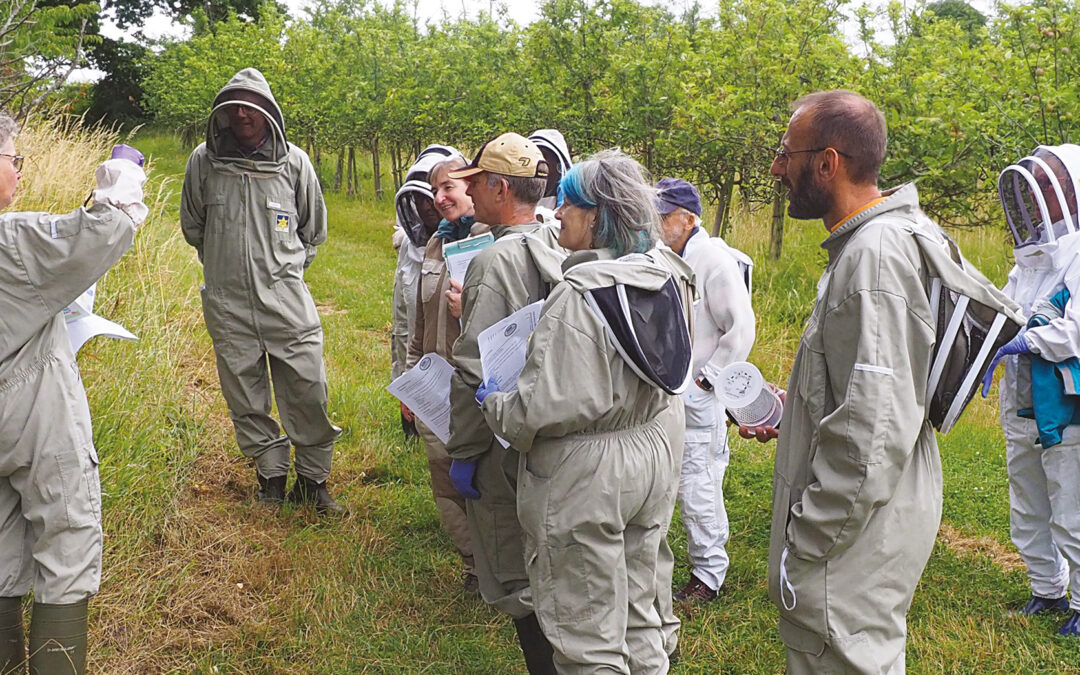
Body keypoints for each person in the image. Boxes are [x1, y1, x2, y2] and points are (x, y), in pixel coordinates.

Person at [759, 89, 1003, 673]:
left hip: (853, 532)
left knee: (843, 657)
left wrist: (809, 541)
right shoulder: (890, 236)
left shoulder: (872, 259)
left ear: (828, 162)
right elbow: (881, 384)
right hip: (880, 508)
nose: (776, 168)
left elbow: (873, 432)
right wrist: (799, 406)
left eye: (785, 153)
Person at [478, 149, 695, 674]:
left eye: (570, 205)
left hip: (586, 477)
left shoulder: (577, 297)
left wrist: (494, 403)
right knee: (642, 608)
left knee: (586, 631)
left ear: (597, 215)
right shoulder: (667, 273)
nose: (558, 215)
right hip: (652, 452)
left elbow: (535, 411)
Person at [0, 114, 146, 675]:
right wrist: (123, 171)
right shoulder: (12, 241)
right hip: (31, 417)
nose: (19, 171)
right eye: (15, 160)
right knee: (65, 543)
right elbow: (105, 231)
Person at [180, 68, 343, 514]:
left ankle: (313, 481)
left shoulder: (294, 164)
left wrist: (281, 271)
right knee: (244, 394)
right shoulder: (203, 162)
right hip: (227, 302)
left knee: (308, 387)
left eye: (250, 105)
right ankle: (270, 476)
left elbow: (313, 230)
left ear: (267, 112)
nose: (241, 113)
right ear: (223, 115)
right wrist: (227, 264)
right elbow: (194, 227)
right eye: (233, 106)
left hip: (285, 301)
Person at [445, 132, 565, 674]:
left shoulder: (493, 261)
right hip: (546, 426)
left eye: (476, 184)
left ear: (498, 187)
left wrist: (464, 451)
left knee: (515, 571)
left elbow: (473, 366)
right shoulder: (555, 245)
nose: (470, 195)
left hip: (499, 435)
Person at [981, 144, 1080, 635]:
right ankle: (1047, 590)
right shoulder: (1029, 261)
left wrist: (1027, 339)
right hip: (1019, 404)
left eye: (1050, 185)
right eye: (1036, 187)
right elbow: (1006, 311)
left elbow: (1075, 332)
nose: (1040, 196)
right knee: (1028, 505)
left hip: (1064, 408)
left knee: (1071, 508)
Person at [655, 177, 755, 604]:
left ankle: (709, 575)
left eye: (663, 216)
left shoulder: (712, 259)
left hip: (698, 394)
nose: (656, 223)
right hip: (668, 391)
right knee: (663, 478)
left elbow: (741, 326)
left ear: (688, 218)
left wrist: (709, 378)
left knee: (699, 483)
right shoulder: (663, 255)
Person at [403, 154, 485, 594]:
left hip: (479, 389)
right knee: (444, 479)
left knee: (486, 483)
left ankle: (500, 564)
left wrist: (468, 305)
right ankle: (473, 565)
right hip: (436, 384)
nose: (440, 197)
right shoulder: (435, 243)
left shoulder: (495, 242)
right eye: (435, 190)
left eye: (449, 187)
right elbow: (419, 316)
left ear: (473, 188)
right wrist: (411, 376)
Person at [392, 144, 462, 439]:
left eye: (445, 189)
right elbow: (406, 326)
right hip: (423, 355)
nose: (427, 206)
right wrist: (407, 384)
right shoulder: (418, 246)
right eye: (421, 199)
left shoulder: (476, 239)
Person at [528, 129, 573, 216]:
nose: (538, 161)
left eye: (544, 155)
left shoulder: (566, 190)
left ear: (558, 162)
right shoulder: (524, 186)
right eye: (534, 155)